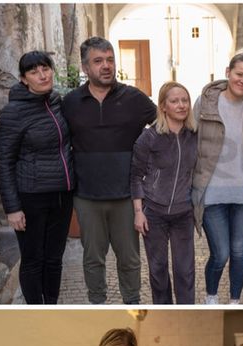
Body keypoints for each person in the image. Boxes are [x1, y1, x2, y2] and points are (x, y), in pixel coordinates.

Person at [62, 37, 157, 305]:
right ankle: (96, 302)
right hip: (87, 196)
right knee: (93, 258)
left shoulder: (134, 98)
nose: (106, 66)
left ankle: (132, 301)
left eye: (110, 59)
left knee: (129, 257)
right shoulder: (70, 103)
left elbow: (164, 126)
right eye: (98, 61)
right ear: (84, 67)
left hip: (127, 196)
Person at [0, 50, 75, 305]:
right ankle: (35, 308)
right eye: (34, 71)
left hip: (62, 195)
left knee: (54, 258)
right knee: (32, 259)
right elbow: (4, 162)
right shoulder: (12, 113)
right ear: (23, 79)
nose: (42, 75)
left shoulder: (56, 102)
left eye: (46, 68)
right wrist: (13, 208)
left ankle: (51, 305)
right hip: (31, 197)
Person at [193, 53, 243, 305]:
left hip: (242, 196)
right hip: (211, 193)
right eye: (239, 74)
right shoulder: (205, 103)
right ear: (228, 72)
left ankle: (235, 299)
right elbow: (189, 140)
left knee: (239, 251)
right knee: (221, 253)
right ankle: (211, 296)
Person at [130, 81, 199, 304]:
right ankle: (164, 309)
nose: (181, 105)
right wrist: (139, 212)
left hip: (183, 213)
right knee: (158, 271)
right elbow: (136, 176)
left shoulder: (194, 135)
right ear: (163, 106)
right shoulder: (149, 138)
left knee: (185, 271)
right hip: (154, 213)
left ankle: (187, 313)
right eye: (174, 101)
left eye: (185, 100)